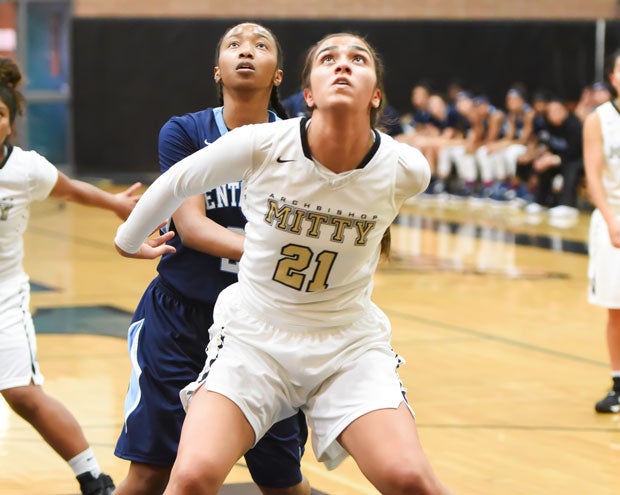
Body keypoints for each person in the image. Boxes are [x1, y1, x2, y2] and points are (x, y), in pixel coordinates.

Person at [115, 32, 452, 495]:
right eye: (328, 58)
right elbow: (176, 182)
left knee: (408, 477)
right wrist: (126, 238)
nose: (343, 64)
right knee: (190, 476)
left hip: (345, 344)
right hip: (255, 339)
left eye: (357, 58)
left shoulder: (406, 169)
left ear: (375, 94)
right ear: (308, 93)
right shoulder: (262, 142)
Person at [112, 22, 310, 495]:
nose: (247, 51)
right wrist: (274, 254)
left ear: (278, 75)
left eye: (261, 46)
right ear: (217, 70)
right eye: (234, 45)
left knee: (282, 480)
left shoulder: (301, 141)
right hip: (181, 318)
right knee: (151, 472)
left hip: (265, 325)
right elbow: (194, 228)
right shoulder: (185, 131)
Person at [0, 57, 141, 495]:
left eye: (0, 113)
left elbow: (70, 190)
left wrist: (117, 205)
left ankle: (92, 477)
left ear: (10, 123)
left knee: (22, 393)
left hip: (3, 297)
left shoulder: (24, 170)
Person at [583, 48, 620, 414]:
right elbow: (592, 177)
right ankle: (618, 383)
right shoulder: (598, 120)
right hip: (613, 217)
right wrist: (610, 218)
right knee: (616, 308)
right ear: (613, 78)